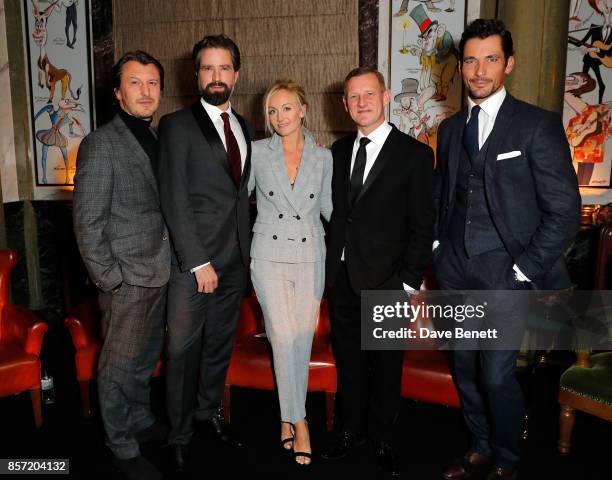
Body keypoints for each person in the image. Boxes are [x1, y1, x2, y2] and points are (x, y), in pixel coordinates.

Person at [433, 19, 581, 480]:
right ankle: (478, 445)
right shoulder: (452, 127)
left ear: (509, 64)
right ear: (461, 65)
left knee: (496, 374)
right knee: (464, 367)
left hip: (505, 272)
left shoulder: (537, 126)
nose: (479, 70)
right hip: (456, 268)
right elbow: (445, 195)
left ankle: (507, 455)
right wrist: (438, 247)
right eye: (471, 60)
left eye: (491, 59)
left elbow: (565, 211)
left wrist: (523, 270)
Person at [321, 66, 435, 476]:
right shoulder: (335, 153)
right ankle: (351, 430)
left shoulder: (416, 155)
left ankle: (382, 435)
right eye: (353, 96)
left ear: (386, 96)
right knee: (349, 362)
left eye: (369, 93)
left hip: (389, 282)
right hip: (343, 280)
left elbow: (424, 224)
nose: (362, 102)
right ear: (345, 103)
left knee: (386, 366)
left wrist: (407, 282)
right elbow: (334, 219)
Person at [157, 34, 253, 473]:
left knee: (218, 346)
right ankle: (178, 435)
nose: (216, 76)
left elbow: (238, 196)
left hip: (235, 260)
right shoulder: (176, 125)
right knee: (181, 352)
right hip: (194, 265)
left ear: (236, 73)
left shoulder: (245, 126)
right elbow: (174, 198)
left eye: (223, 68)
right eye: (207, 68)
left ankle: (208, 412)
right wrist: (198, 263)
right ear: (195, 75)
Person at [73, 51, 170, 480]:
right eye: (135, 83)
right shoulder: (101, 143)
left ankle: (140, 418)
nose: (146, 91)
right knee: (116, 365)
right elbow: (87, 221)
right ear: (117, 92)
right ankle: (121, 444)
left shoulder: (158, 137)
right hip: (126, 278)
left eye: (152, 83)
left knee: (145, 357)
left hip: (160, 270)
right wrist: (110, 280)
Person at [248, 79, 333, 466]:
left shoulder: (325, 157)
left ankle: (285, 415)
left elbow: (332, 211)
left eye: (286, 108)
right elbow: (234, 201)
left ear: (303, 110)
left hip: (311, 255)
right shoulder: (257, 153)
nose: (279, 117)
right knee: (282, 337)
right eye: (272, 110)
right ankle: (300, 421)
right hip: (268, 254)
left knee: (299, 339)